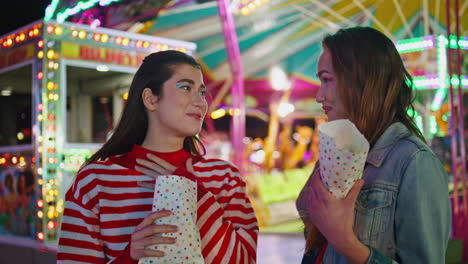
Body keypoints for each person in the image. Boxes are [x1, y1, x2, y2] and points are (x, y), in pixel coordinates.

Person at [57, 50, 258, 264]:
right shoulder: (95, 181)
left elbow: (244, 260)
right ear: (151, 98)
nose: (200, 102)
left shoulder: (224, 177)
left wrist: (192, 193)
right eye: (185, 87)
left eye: (201, 92)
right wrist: (130, 257)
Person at [296, 27, 451, 263]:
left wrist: (345, 241)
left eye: (327, 79)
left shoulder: (414, 161)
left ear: (362, 81)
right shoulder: (341, 153)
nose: (319, 96)